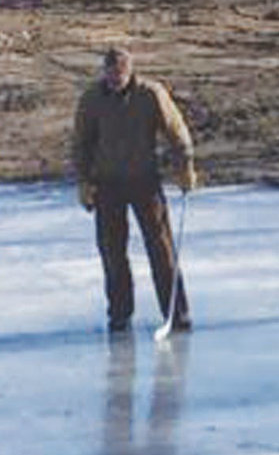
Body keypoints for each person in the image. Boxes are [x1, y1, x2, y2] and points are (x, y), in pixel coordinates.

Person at [72, 46, 197, 333]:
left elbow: (177, 132)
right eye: (110, 75)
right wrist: (83, 181)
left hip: (144, 181)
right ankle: (119, 314)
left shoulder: (150, 94)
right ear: (103, 73)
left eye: (120, 74)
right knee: (112, 251)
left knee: (161, 248)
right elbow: (81, 143)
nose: (115, 80)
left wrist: (185, 167)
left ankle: (177, 313)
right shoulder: (92, 99)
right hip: (107, 184)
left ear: (130, 71)